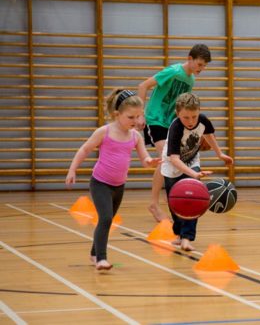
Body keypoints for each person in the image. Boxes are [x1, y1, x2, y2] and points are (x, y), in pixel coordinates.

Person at [65, 89, 161, 270]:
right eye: (131, 117)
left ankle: (94, 253)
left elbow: (144, 159)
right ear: (117, 114)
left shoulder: (135, 136)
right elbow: (85, 149)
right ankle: (101, 258)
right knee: (106, 218)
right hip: (100, 183)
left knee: (106, 220)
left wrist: (151, 161)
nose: (136, 121)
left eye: (138, 116)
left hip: (119, 186)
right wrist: (72, 169)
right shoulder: (104, 132)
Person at [138, 44, 212, 222]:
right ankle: (154, 204)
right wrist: (140, 114)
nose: (201, 69)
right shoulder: (173, 71)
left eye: (204, 66)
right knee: (165, 159)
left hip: (171, 123)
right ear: (190, 59)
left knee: (173, 160)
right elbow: (143, 86)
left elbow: (184, 108)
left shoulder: (190, 80)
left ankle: (171, 196)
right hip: (155, 118)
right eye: (200, 65)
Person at [161, 92, 233, 251]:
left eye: (194, 116)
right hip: (173, 165)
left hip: (192, 160)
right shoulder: (176, 128)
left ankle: (187, 238)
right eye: (186, 117)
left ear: (199, 111)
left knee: (194, 198)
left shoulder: (203, 120)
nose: (191, 121)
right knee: (175, 203)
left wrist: (219, 153)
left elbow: (209, 134)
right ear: (178, 113)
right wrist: (193, 174)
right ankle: (179, 234)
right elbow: (174, 158)